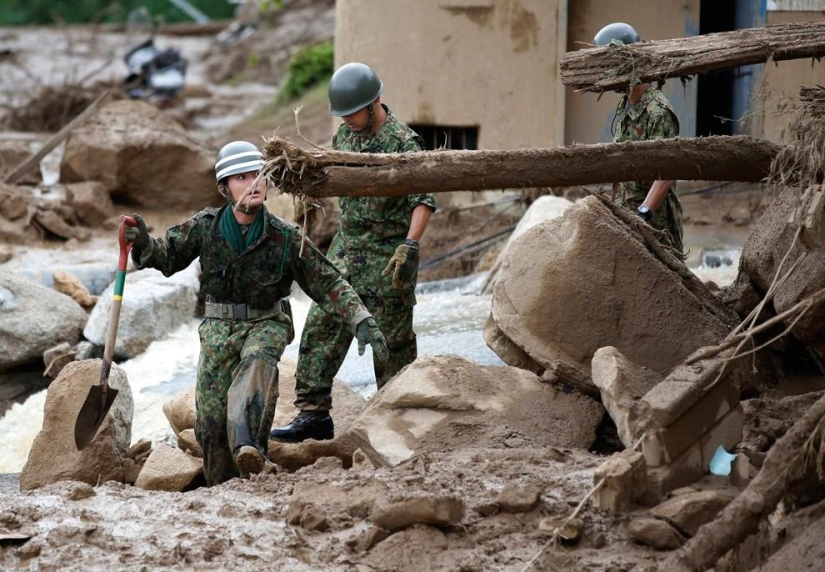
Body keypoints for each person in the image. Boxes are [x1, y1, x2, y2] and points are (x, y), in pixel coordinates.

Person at [124, 140, 388, 486]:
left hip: (266, 322)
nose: (254, 184)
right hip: (219, 328)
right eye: (242, 178)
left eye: (259, 175)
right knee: (211, 422)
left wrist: (360, 319)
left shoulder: (285, 237)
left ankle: (250, 450)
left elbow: (328, 283)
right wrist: (143, 242)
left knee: (257, 363)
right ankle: (223, 487)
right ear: (224, 188)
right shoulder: (206, 227)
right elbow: (167, 257)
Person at [270, 62, 438, 443]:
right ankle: (313, 415)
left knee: (390, 342)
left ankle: (398, 417)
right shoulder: (345, 135)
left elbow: (423, 199)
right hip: (347, 249)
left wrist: (410, 246)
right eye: (341, 115)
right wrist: (311, 191)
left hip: (387, 257)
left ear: (375, 102)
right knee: (322, 325)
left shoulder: (403, 143)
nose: (346, 120)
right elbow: (333, 177)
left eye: (352, 113)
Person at [594, 22, 684, 254]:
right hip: (627, 220)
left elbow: (666, 173)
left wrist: (643, 214)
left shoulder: (658, 111)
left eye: (611, 66)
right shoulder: (625, 105)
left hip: (654, 227)